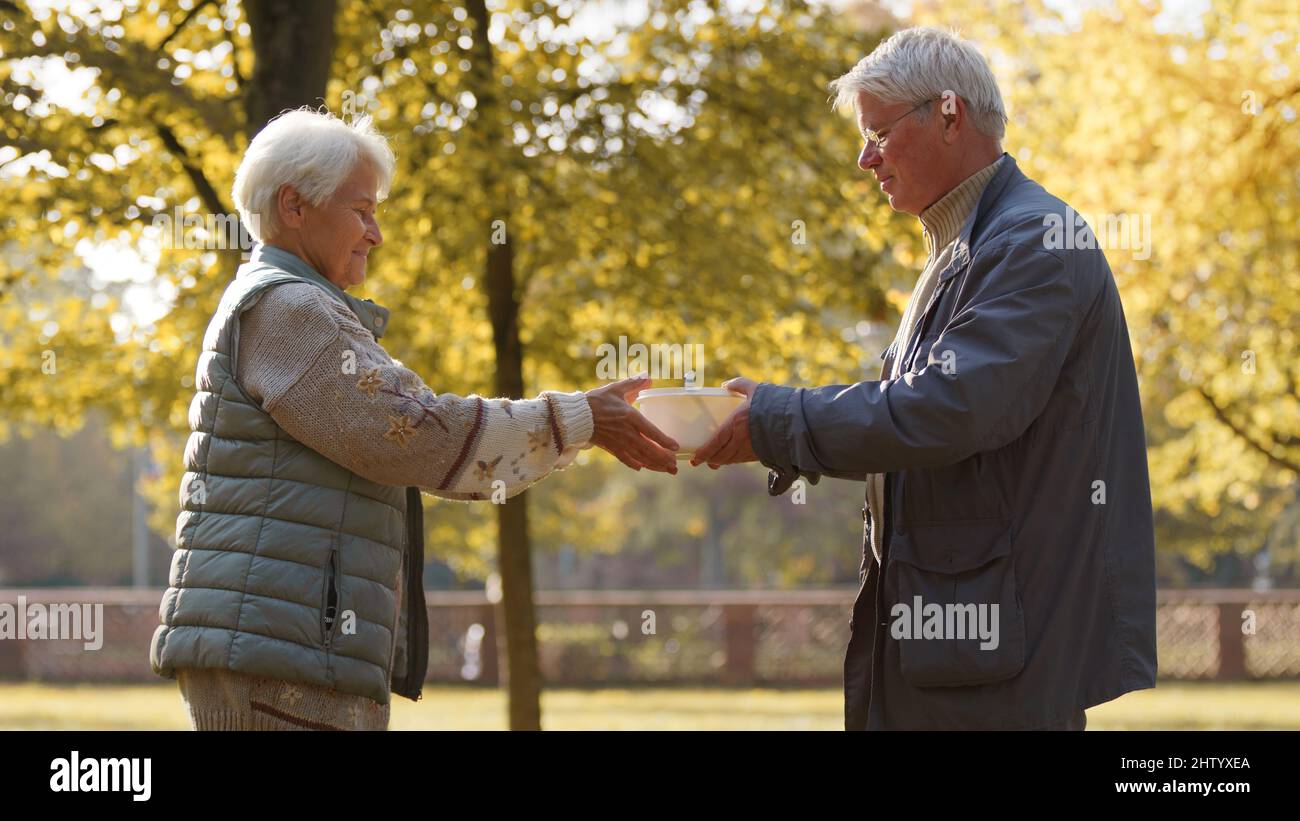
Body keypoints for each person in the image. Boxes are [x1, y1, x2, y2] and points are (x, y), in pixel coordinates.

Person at [150, 108, 679, 730]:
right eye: (362, 211)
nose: (376, 234)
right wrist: (578, 418)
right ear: (294, 206)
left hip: (282, 648)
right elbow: (417, 437)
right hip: (278, 655)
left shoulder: (292, 305)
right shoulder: (291, 309)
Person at [694, 27, 1157, 730]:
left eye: (878, 133)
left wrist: (775, 421)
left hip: (999, 668)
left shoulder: (1031, 241)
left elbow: (946, 409)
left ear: (949, 115)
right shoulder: (971, 246)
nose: (864, 158)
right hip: (963, 649)